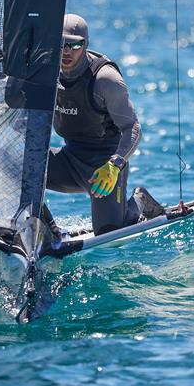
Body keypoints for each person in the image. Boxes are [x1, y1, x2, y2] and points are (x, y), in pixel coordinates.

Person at [43, 14, 164, 238]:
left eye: (74, 44)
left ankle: (140, 201)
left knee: (110, 235)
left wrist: (115, 164)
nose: (66, 51)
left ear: (85, 44)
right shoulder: (46, 72)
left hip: (103, 168)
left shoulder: (105, 79)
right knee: (16, 168)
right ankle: (51, 233)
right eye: (61, 44)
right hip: (70, 159)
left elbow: (133, 128)